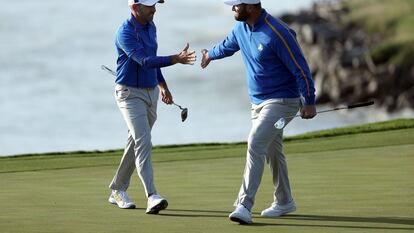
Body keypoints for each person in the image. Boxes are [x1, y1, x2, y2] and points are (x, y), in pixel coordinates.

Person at [201, 0, 316, 224]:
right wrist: (209, 56)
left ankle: (244, 205)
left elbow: (301, 69)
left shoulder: (278, 33)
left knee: (255, 142)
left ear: (252, 6)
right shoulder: (240, 28)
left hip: (283, 103)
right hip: (258, 104)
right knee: (273, 149)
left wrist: (309, 100)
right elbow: (226, 46)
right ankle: (284, 201)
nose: (232, 8)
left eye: (236, 4)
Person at [108, 0, 196, 214]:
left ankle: (117, 189)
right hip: (129, 95)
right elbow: (145, 61)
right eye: (149, 5)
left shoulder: (151, 27)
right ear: (135, 8)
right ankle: (152, 195)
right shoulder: (125, 32)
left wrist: (163, 86)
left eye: (155, 4)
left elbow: (153, 61)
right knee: (143, 140)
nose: (154, 8)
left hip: (151, 94)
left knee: (136, 141)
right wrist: (176, 59)